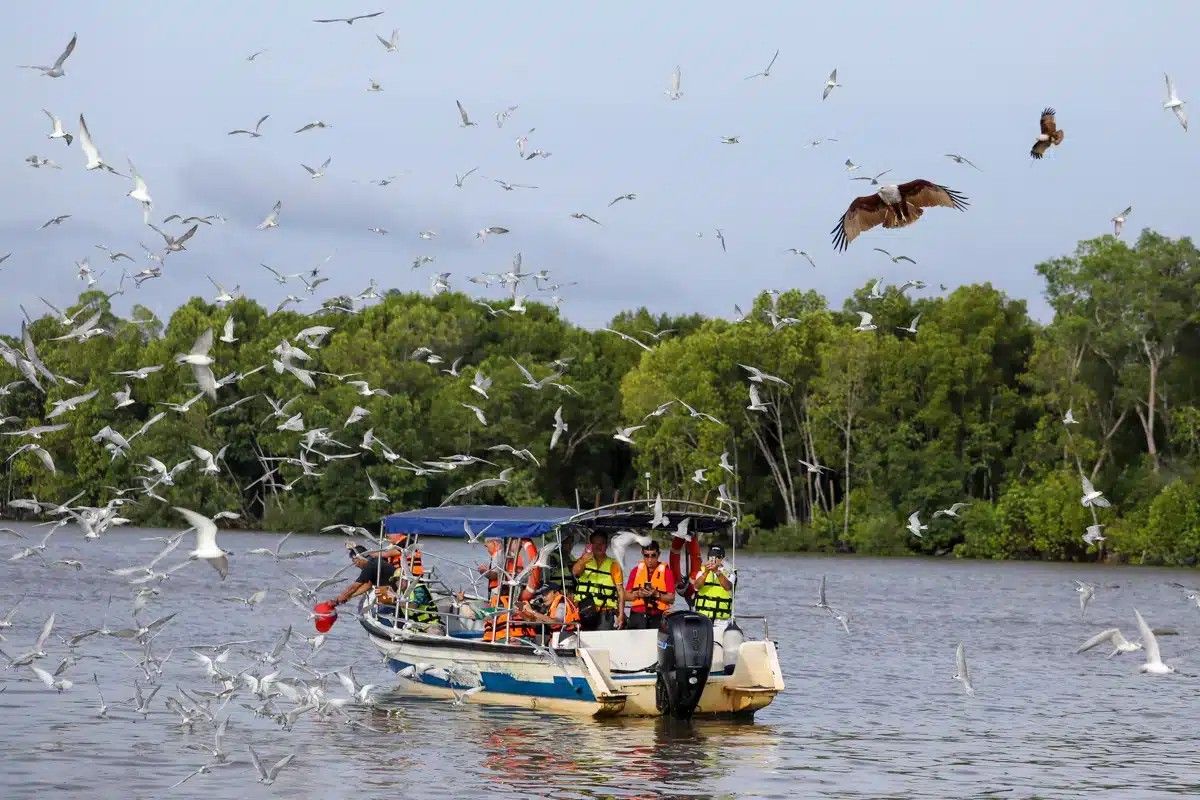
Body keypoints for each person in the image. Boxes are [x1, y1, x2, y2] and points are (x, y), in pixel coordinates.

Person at [571, 531, 625, 631]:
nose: (598, 546)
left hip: (605, 611)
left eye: (602, 543)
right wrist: (583, 560)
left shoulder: (614, 564)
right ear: (591, 545)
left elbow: (620, 591)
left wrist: (621, 614)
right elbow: (575, 572)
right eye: (595, 543)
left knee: (602, 642)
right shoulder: (584, 560)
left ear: (607, 545)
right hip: (584, 609)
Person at [625, 540, 675, 629]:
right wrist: (637, 594)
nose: (650, 559)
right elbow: (625, 596)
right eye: (646, 556)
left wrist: (657, 594)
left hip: (658, 615)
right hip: (637, 615)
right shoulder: (635, 571)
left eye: (653, 555)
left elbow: (671, 598)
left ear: (658, 554)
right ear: (642, 554)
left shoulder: (667, 573)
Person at [328, 544, 396, 609]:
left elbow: (354, 587)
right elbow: (367, 585)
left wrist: (339, 598)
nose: (356, 565)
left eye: (355, 561)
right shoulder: (374, 562)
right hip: (392, 594)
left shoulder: (370, 565)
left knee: (379, 613)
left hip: (394, 594)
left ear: (359, 557)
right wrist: (349, 597)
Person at [691, 545, 734, 621]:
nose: (713, 559)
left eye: (717, 557)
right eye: (711, 556)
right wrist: (706, 572)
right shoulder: (701, 571)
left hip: (721, 621)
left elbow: (728, 587)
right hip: (702, 618)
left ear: (722, 559)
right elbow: (696, 586)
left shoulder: (730, 572)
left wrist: (717, 571)